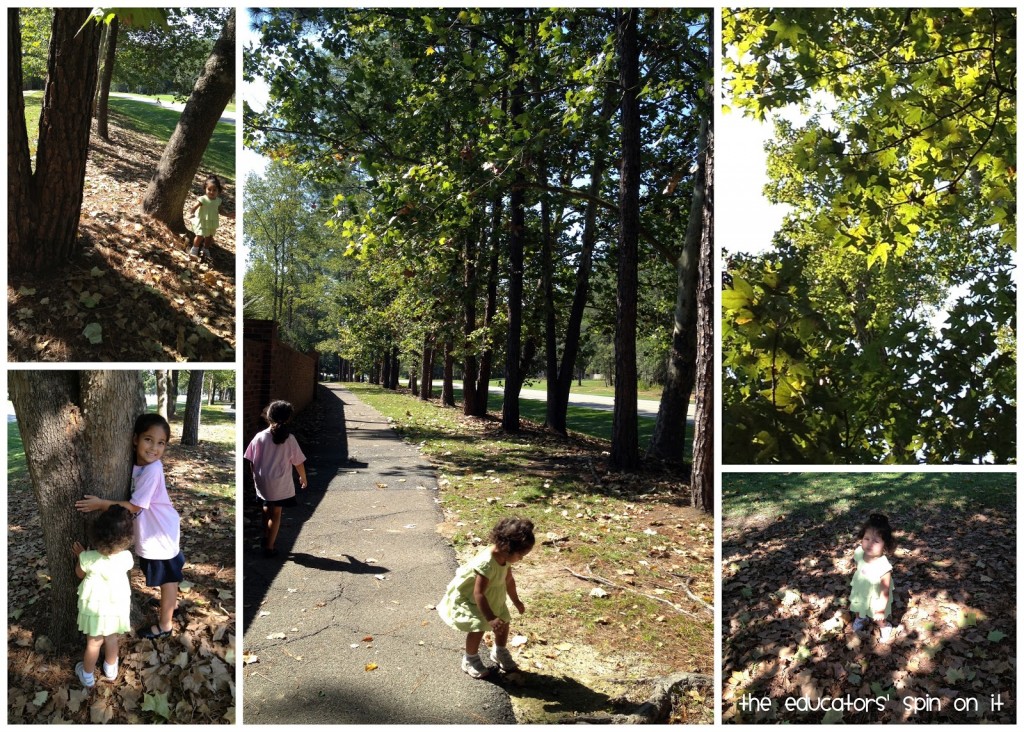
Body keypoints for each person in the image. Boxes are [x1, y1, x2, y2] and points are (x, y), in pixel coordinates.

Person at [76, 413, 183, 640]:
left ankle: (165, 625)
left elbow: (135, 507)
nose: (154, 448)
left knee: (167, 580)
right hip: (155, 532)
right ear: (135, 439)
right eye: (148, 439)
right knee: (167, 579)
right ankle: (168, 608)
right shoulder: (137, 465)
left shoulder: (153, 469)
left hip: (161, 534)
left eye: (161, 443)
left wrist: (100, 504)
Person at [438, 516, 534, 678]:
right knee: (479, 627)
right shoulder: (486, 563)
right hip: (475, 600)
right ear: (507, 547)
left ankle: (499, 651)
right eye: (521, 554)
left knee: (504, 622)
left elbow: (509, 580)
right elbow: (478, 593)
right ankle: (470, 659)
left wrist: (516, 600)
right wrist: (490, 618)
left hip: (493, 596)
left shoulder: (505, 557)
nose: (521, 558)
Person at [72, 505, 134, 688]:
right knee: (111, 639)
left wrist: (81, 555)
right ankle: (110, 668)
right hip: (115, 609)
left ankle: (87, 675)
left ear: (96, 534)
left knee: (93, 643)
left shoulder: (88, 558)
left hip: (95, 611)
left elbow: (79, 574)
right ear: (126, 539)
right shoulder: (126, 558)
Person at [244, 400, 308, 558]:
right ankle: (270, 547)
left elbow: (250, 459)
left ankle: (266, 536)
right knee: (276, 514)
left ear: (268, 415)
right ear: (287, 418)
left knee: (266, 508)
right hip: (280, 483)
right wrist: (303, 477)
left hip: (262, 481)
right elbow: (298, 462)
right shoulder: (289, 439)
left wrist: (254, 477)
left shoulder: (259, 437)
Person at [849, 512, 896, 643]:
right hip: (861, 589)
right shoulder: (859, 552)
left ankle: (885, 626)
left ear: (885, 545)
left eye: (876, 541)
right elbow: (859, 566)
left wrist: (881, 609)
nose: (870, 544)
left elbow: (885, 591)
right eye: (867, 538)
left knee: (878, 616)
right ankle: (861, 618)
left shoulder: (883, 565)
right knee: (858, 606)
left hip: (877, 596)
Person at [189, 174, 230, 261]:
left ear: (219, 191)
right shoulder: (203, 199)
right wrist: (192, 212)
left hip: (212, 221)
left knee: (209, 237)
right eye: (209, 189)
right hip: (203, 220)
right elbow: (195, 207)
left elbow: (221, 211)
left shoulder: (218, 201)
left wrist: (229, 215)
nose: (211, 192)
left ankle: (205, 249)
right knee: (200, 235)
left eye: (214, 190)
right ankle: (194, 249)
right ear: (205, 189)